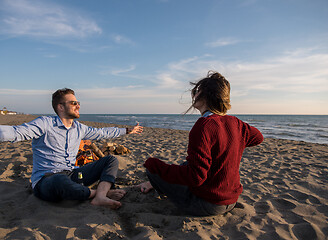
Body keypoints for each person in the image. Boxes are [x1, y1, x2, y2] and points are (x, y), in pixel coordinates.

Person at [138, 71, 263, 216]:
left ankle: (154, 180)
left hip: (208, 204)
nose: (193, 95)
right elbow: (258, 137)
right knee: (187, 164)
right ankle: (152, 185)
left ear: (205, 96)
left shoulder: (204, 126)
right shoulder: (236, 122)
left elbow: (195, 177)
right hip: (231, 200)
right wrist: (231, 144)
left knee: (153, 168)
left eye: (196, 91)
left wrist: (155, 165)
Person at [0, 88, 143, 209]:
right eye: (74, 103)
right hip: (47, 181)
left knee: (110, 160)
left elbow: (102, 133)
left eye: (78, 103)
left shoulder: (79, 128)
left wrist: (127, 130)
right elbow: (16, 132)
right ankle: (97, 193)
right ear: (60, 107)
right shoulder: (45, 123)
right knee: (59, 180)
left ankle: (100, 195)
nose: (78, 106)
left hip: (73, 175)